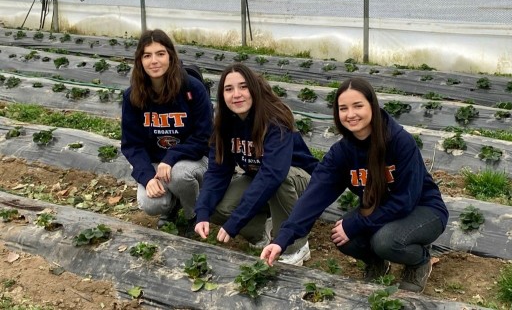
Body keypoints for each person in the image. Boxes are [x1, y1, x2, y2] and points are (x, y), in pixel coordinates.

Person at [261, 77, 448, 292]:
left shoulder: (399, 141)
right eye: (343, 108)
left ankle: (419, 261)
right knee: (343, 238)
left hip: (423, 209)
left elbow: (405, 200)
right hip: (382, 210)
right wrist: (282, 239)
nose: (350, 114)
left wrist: (358, 223)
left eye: (358, 105)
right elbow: (314, 196)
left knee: (385, 241)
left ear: (372, 106)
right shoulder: (342, 153)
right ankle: (377, 263)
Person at [194, 63, 319, 265]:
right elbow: (218, 172)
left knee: (280, 179)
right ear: (222, 95)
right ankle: (262, 233)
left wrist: (235, 222)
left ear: (254, 88)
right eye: (229, 89)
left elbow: (273, 174)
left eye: (243, 87)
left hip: (300, 180)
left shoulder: (276, 118)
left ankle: (296, 246)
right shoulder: (225, 124)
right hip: (258, 177)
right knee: (218, 207)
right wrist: (202, 212)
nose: (236, 94)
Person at [121, 29, 213, 237]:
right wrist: (147, 177)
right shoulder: (133, 96)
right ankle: (172, 206)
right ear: (139, 61)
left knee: (180, 175)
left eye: (160, 54)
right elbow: (132, 145)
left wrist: (171, 157)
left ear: (171, 56)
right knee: (151, 204)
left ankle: (193, 216)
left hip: (193, 160)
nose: (154, 61)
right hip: (156, 163)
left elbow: (204, 136)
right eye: (147, 55)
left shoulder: (192, 89)